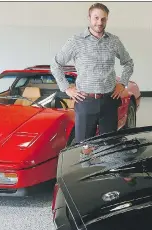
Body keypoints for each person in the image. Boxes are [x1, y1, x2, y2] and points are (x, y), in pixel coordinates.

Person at [50, 3, 134, 144]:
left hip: (109, 101)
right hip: (85, 102)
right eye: (96, 18)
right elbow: (55, 64)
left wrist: (122, 84)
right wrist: (66, 88)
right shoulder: (76, 41)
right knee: (84, 146)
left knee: (109, 146)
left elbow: (128, 63)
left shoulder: (114, 41)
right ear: (89, 18)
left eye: (103, 19)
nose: (99, 22)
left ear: (107, 19)